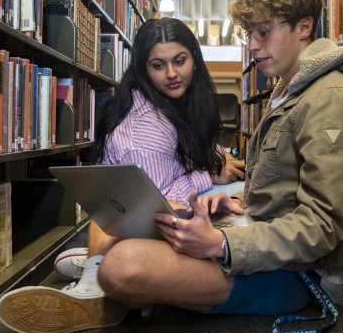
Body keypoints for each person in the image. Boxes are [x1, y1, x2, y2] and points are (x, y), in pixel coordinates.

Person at [0, 0, 343, 333]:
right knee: (115, 211)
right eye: (250, 33)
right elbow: (283, 189)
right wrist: (234, 202)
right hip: (255, 243)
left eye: (264, 32)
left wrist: (220, 244)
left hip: (291, 273)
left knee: (123, 265)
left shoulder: (333, 99)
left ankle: (106, 285)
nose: (251, 45)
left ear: (304, 26)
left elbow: (322, 227)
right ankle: (112, 281)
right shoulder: (290, 89)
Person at [52, 17, 245, 282]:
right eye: (158, 65)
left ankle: (97, 260)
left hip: (133, 221)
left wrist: (217, 156)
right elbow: (156, 206)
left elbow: (191, 146)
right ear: (144, 70)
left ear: (195, 60)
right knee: (229, 238)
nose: (172, 74)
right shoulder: (143, 132)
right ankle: (103, 267)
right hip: (140, 223)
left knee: (239, 204)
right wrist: (208, 173)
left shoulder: (171, 101)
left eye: (180, 61)